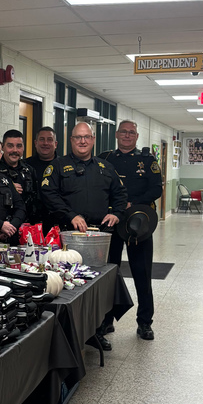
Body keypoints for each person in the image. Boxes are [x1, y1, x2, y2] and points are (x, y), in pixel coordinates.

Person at [40, 121, 127, 350]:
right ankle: (70, 334)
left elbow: (120, 194)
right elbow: (48, 194)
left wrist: (117, 214)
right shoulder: (58, 166)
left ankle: (98, 330)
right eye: (78, 137)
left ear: (93, 139)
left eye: (86, 137)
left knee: (99, 286)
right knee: (72, 285)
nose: (82, 141)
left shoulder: (106, 167)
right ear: (71, 140)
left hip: (100, 237)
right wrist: (71, 215)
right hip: (68, 238)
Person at [99, 120, 163, 341]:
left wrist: (133, 204)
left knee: (142, 273)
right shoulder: (105, 159)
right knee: (109, 273)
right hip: (111, 222)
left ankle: (145, 323)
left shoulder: (148, 160)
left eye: (131, 133)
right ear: (117, 134)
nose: (127, 135)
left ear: (136, 136)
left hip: (139, 223)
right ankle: (106, 320)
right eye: (124, 132)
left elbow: (156, 189)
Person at [1, 129, 39, 225]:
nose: (15, 150)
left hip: (27, 226)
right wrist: (8, 188)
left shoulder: (29, 170)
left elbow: (36, 200)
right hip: (4, 226)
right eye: (10, 146)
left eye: (19, 146)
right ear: (2, 147)